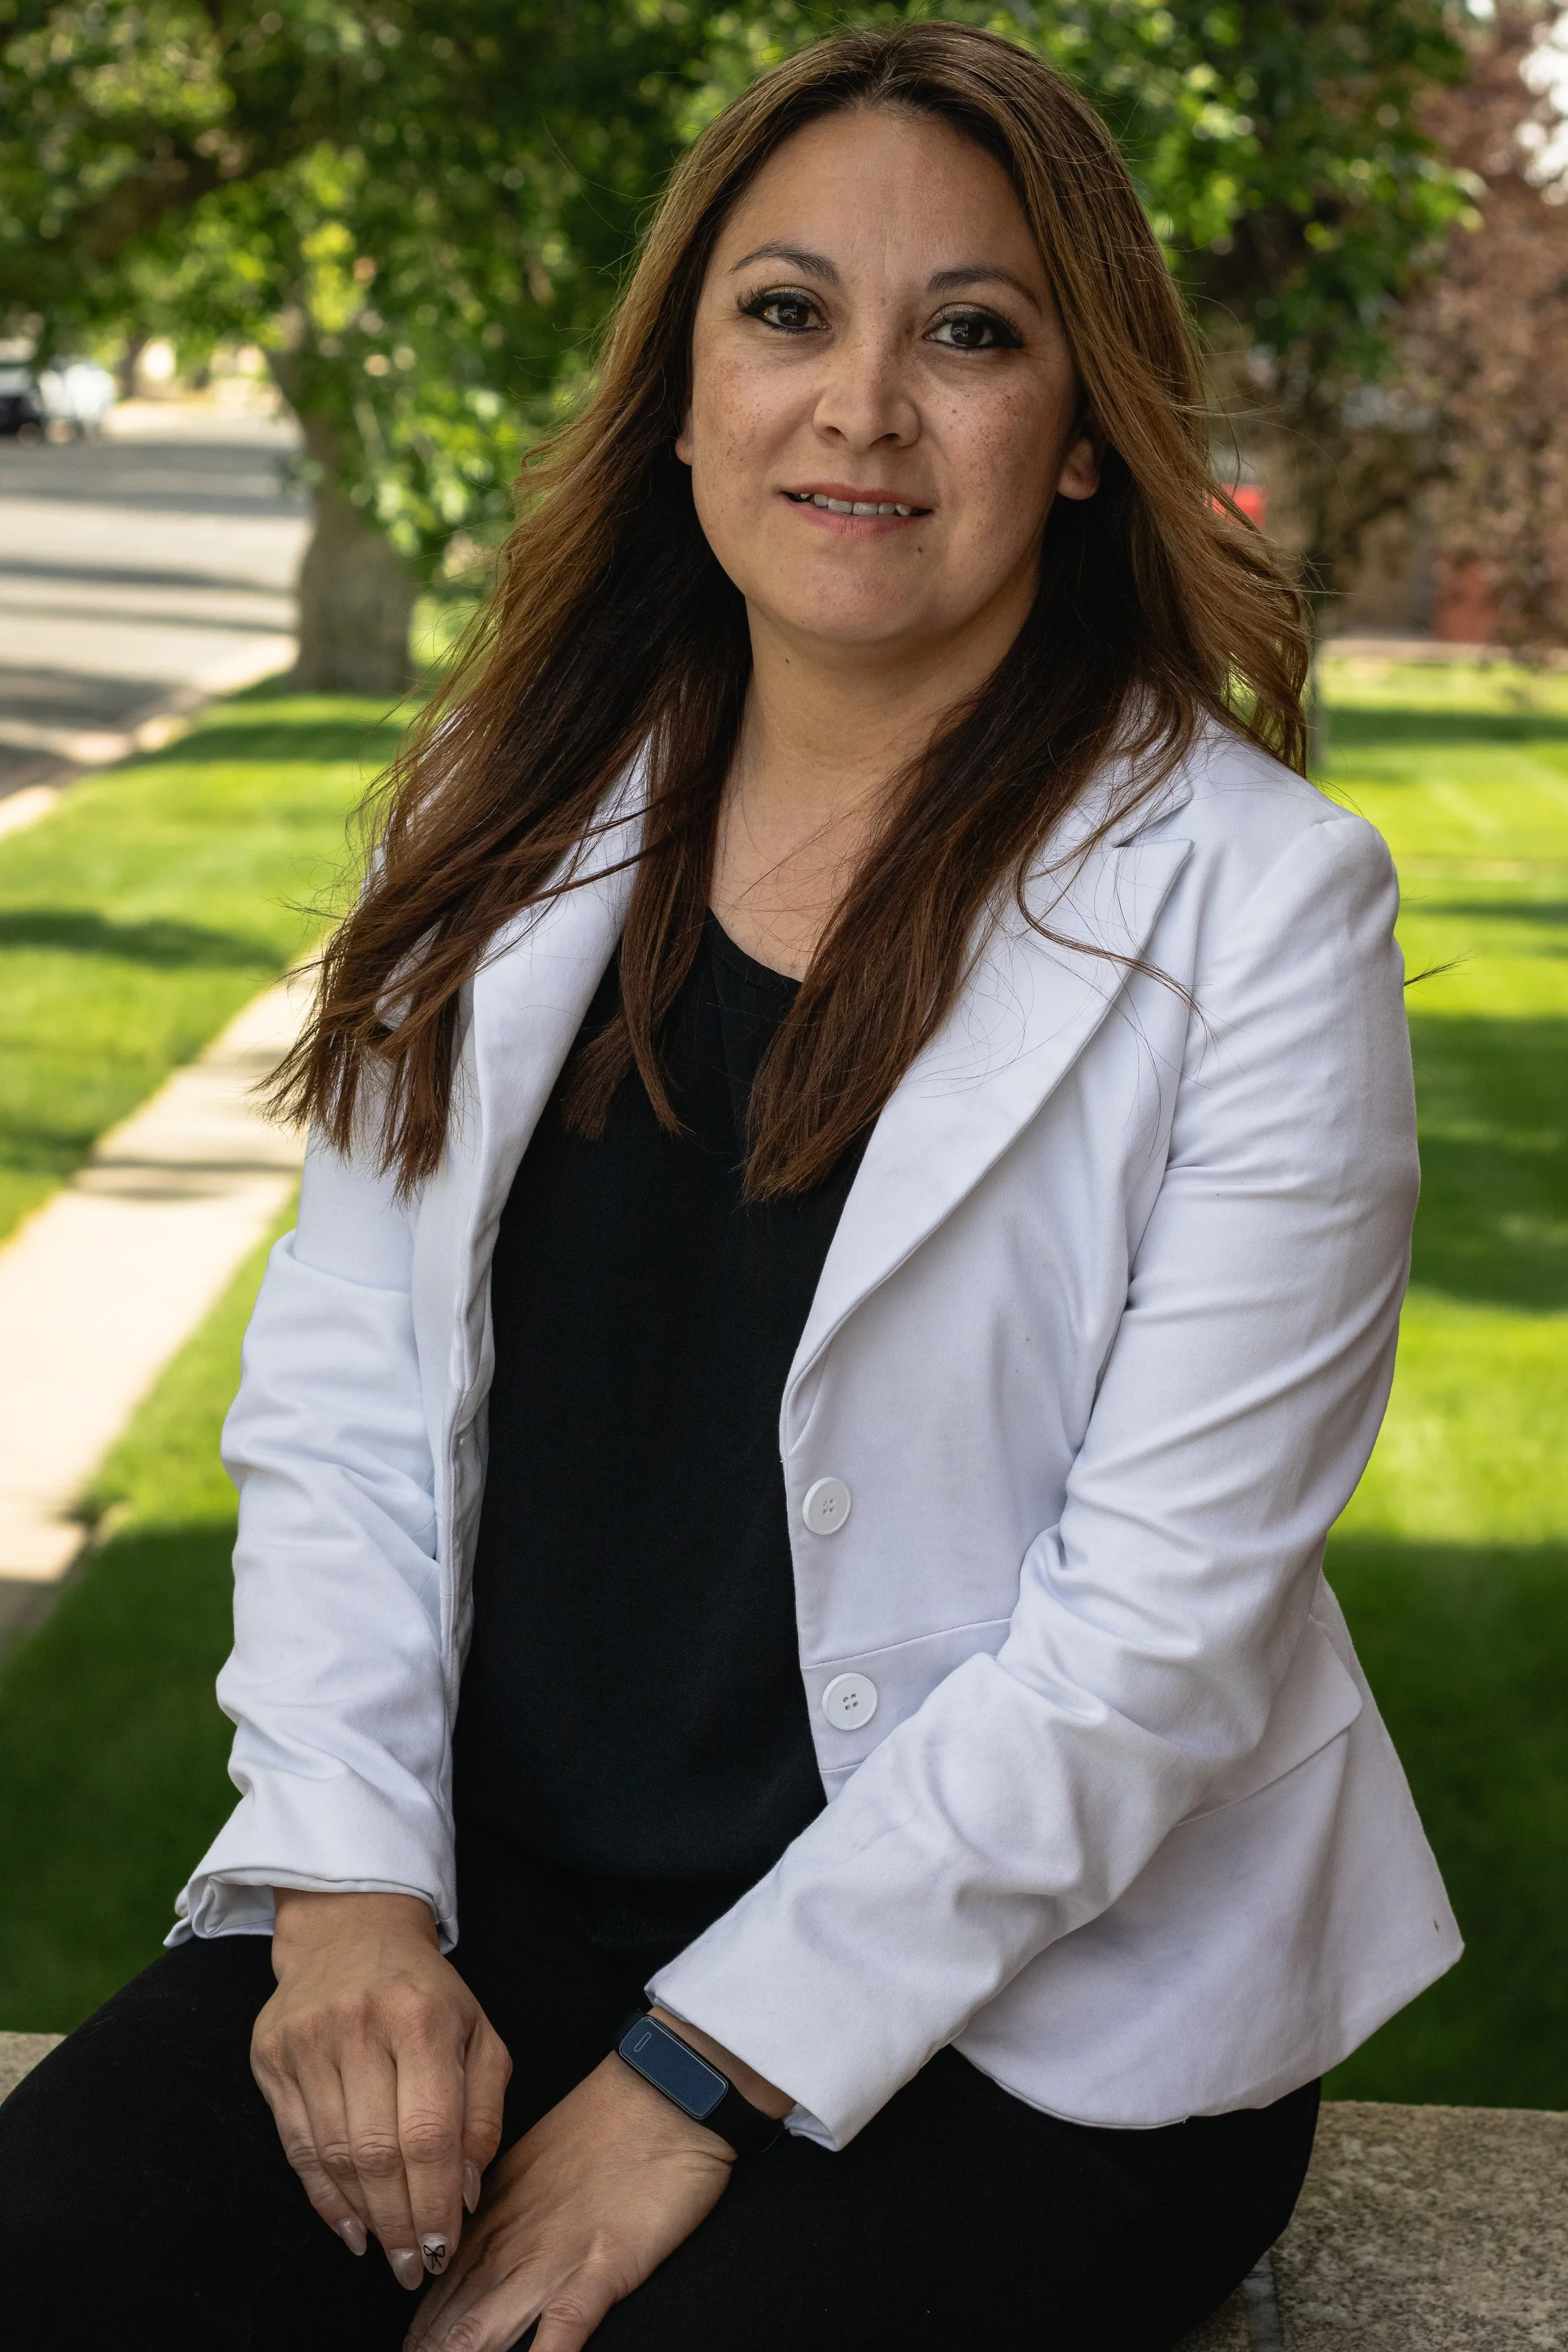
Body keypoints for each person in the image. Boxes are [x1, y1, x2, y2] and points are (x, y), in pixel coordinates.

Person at [0, 22, 1460, 2351]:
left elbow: (1154, 1634)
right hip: (504, 1885)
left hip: (1031, 1987)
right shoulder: (503, 800)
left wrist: (691, 2074)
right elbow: (347, 1393)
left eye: (968, 334)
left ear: (1083, 440)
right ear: (681, 395)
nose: (859, 404)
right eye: (785, 313)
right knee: (53, 2252)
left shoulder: (1261, 909)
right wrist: (350, 1890)